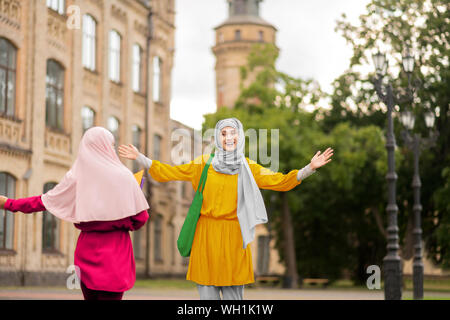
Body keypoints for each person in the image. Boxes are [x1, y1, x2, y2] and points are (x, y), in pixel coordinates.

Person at [118, 118, 333, 300]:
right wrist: (141, 158)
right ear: (217, 138)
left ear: (240, 136)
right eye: (223, 133)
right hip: (206, 237)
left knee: (233, 299)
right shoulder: (203, 164)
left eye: (233, 133)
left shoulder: (249, 168)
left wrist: (309, 168)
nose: (229, 137)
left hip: (234, 238)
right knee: (207, 296)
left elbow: (281, 181)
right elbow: (169, 172)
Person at [0, 127, 149, 300]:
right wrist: (123, 214)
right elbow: (141, 219)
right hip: (115, 253)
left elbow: (44, 201)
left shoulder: (77, 178)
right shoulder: (125, 177)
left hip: (87, 253)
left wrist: (9, 203)